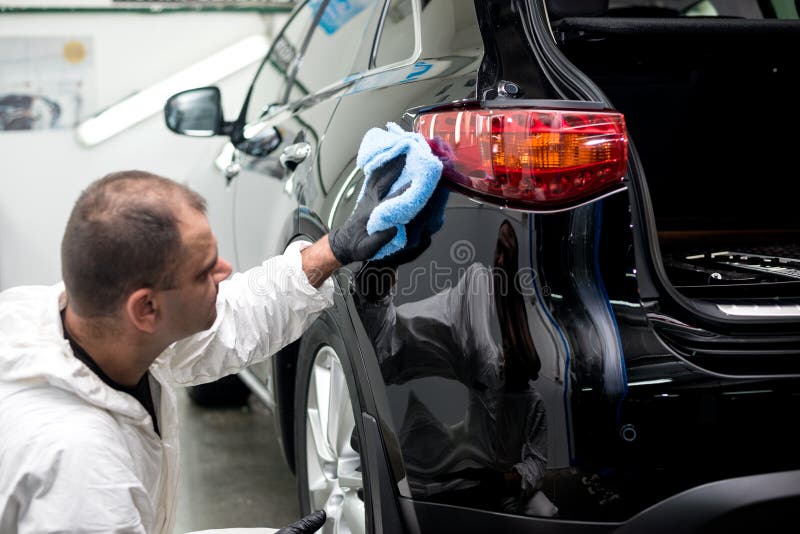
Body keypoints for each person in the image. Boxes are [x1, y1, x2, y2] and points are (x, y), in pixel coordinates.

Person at [0, 168, 399, 533]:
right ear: (146, 308)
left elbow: (233, 319)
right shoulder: (83, 471)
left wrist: (333, 250)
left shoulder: (88, 323)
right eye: (204, 271)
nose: (224, 271)